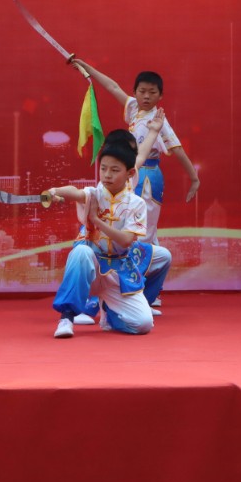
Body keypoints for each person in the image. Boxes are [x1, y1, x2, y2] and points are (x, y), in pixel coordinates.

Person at [69, 57, 198, 313]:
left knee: (144, 234)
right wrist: (87, 68)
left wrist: (194, 178)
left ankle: (139, 292)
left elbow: (178, 149)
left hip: (147, 178)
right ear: (136, 92)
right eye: (142, 91)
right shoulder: (132, 108)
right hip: (128, 175)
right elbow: (112, 87)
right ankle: (115, 291)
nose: (146, 96)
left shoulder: (158, 121)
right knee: (119, 226)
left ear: (160, 96)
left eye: (152, 92)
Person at [46, 136, 172, 338]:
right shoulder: (95, 193)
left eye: (114, 170)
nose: (107, 174)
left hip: (119, 270)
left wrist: (96, 220)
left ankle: (110, 313)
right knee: (81, 252)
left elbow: (126, 240)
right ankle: (66, 318)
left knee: (143, 324)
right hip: (94, 266)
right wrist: (55, 191)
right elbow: (76, 192)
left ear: (130, 173)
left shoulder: (136, 204)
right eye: (103, 169)